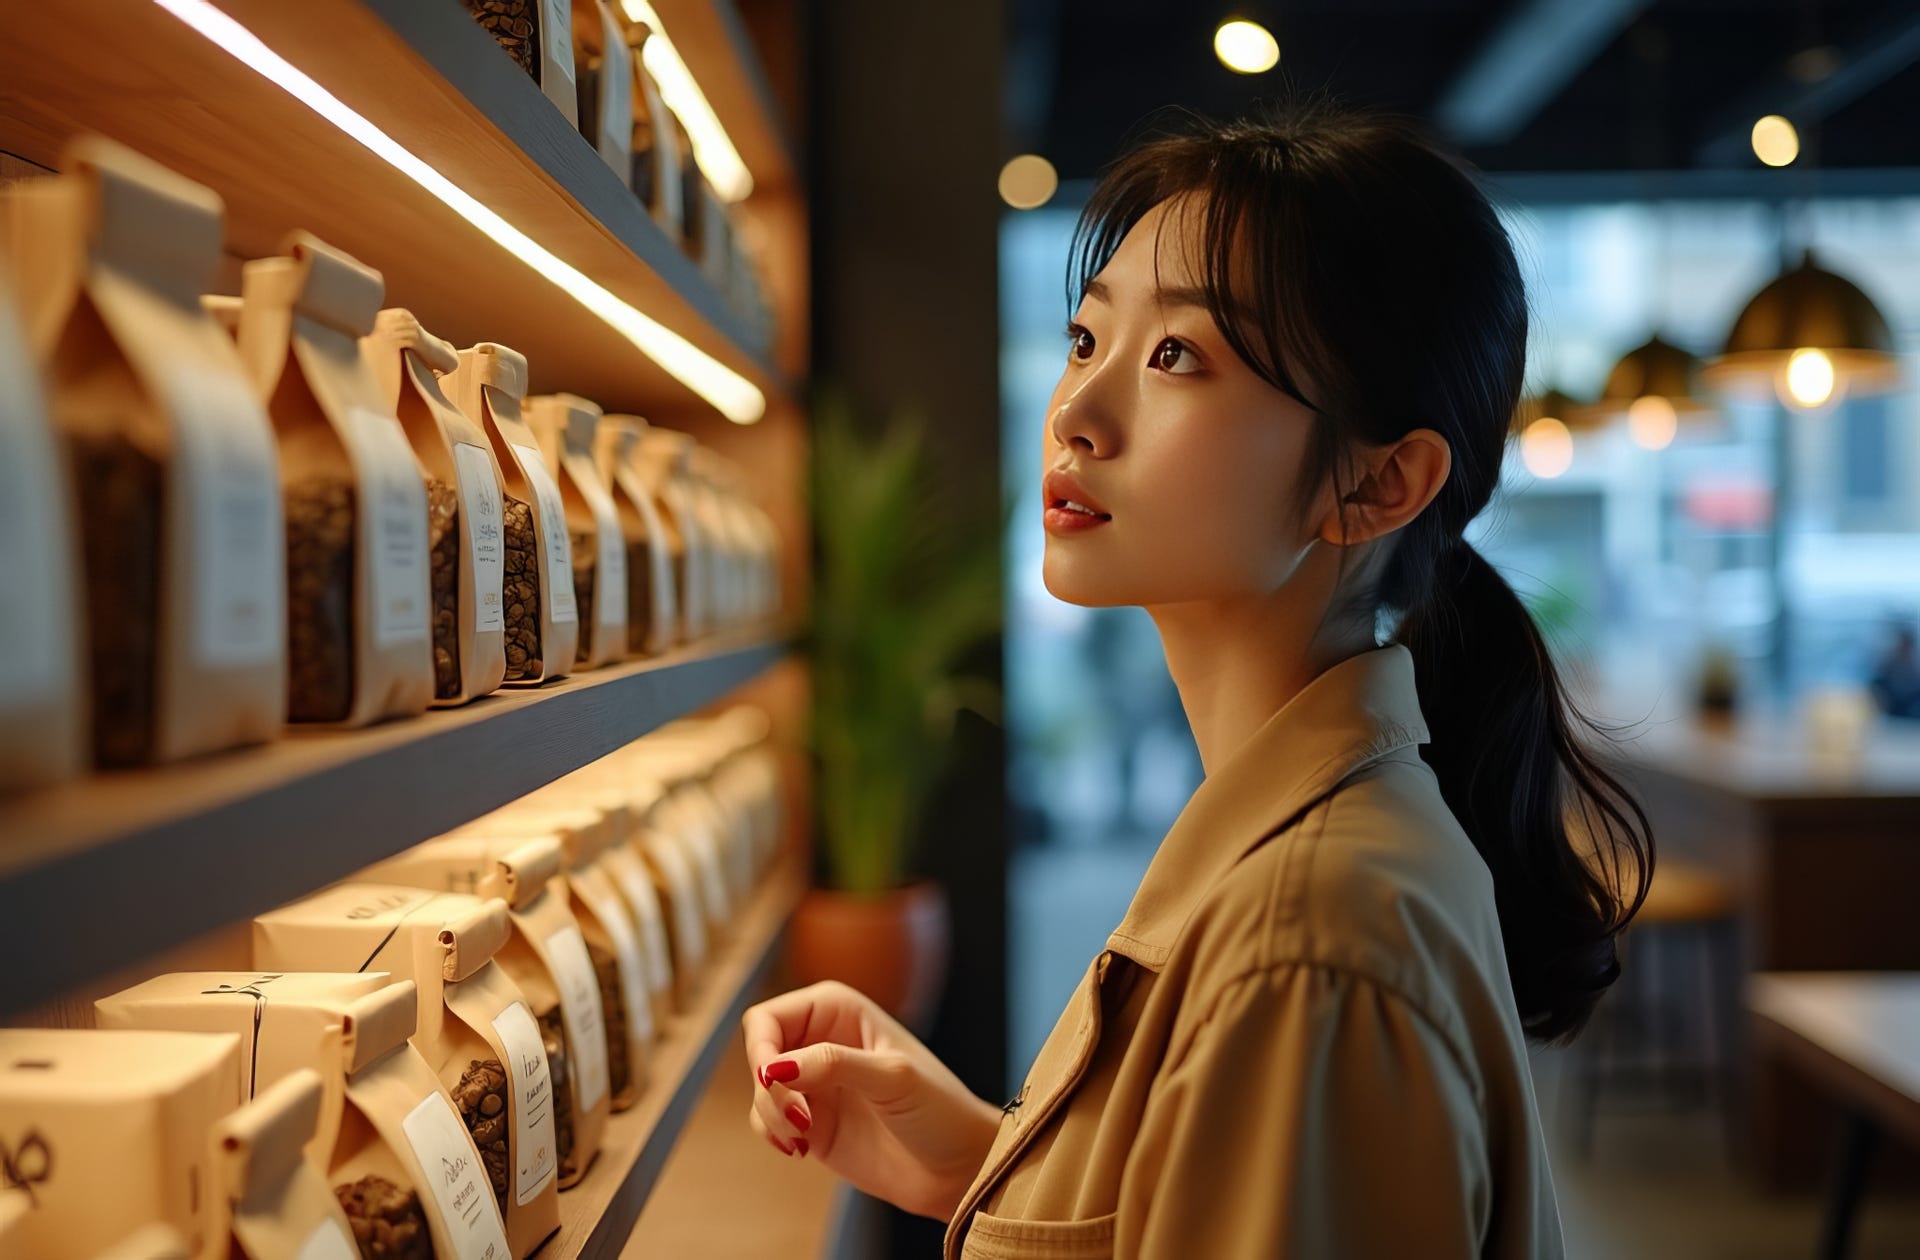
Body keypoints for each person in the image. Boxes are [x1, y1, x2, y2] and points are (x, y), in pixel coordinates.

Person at [742, 102, 1653, 1259]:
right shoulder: (1316, 862)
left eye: (1179, 355)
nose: (1076, 413)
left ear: (1378, 487)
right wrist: (982, 1162)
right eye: (1086, 340)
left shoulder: (1307, 944)